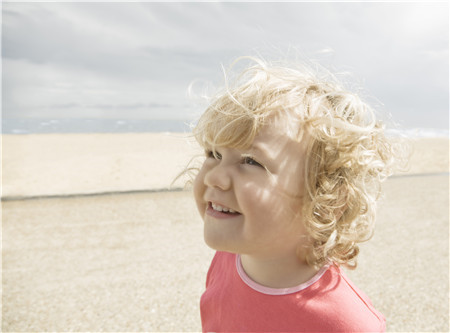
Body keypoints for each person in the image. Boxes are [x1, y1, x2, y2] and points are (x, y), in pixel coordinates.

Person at [191, 56, 398, 332]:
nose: (214, 176)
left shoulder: (345, 323)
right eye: (213, 154)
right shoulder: (227, 259)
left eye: (251, 161)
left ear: (326, 201)